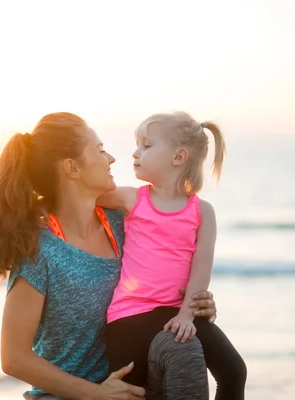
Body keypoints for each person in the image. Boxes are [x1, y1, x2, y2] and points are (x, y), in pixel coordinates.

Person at [0, 112, 218, 399]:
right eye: (100, 150)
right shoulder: (40, 251)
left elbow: (165, 275)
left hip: (135, 386)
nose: (111, 158)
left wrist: (193, 304)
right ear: (72, 167)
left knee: (185, 351)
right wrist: (95, 394)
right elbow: (14, 358)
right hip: (67, 396)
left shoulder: (123, 224)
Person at [99, 112, 247, 399]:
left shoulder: (202, 211)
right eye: (138, 145)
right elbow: (79, 196)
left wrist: (187, 315)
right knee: (137, 391)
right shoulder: (132, 198)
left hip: (179, 314)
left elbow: (201, 267)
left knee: (234, 370)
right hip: (129, 317)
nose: (135, 152)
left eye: (146, 145)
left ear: (178, 157)